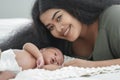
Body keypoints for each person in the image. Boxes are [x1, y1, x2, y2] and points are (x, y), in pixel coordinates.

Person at [32, 0, 120, 68]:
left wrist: (91, 65)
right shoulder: (63, 45)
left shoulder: (115, 17)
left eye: (59, 18)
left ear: (73, 7)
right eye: (51, 27)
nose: (58, 29)